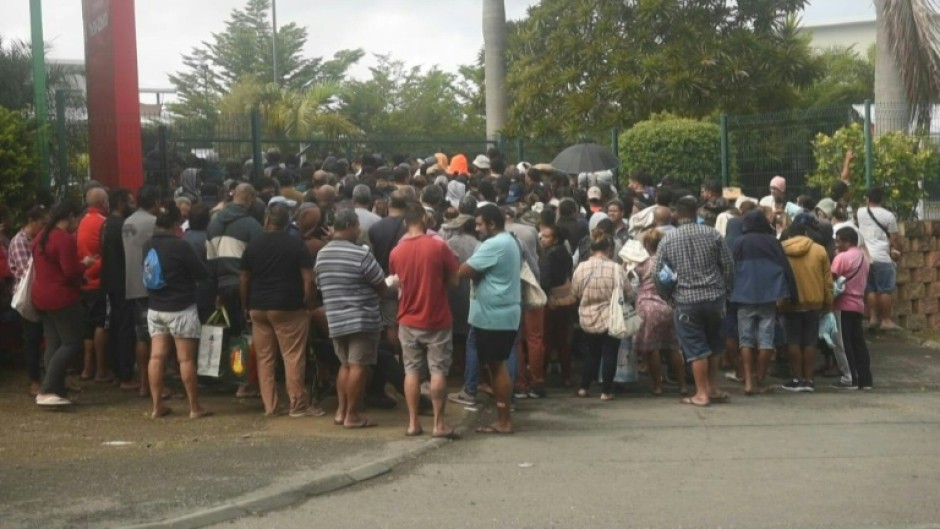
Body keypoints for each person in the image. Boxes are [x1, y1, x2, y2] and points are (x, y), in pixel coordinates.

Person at [241, 202, 323, 418]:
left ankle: (271, 405)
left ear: (266, 220)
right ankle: (297, 404)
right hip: (288, 306)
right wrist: (308, 303)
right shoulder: (296, 245)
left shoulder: (253, 245)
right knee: (293, 356)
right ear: (288, 222)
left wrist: (245, 304)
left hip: (258, 307)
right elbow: (308, 279)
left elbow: (245, 278)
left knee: (264, 358)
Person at [655, 196, 734, 407]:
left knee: (696, 349)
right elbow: (728, 265)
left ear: (676, 214)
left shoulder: (668, 240)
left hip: (686, 301)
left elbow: (660, 274)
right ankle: (713, 387)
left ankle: (701, 394)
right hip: (714, 298)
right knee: (714, 345)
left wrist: (668, 297)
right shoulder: (713, 234)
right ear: (696, 213)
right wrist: (725, 290)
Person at [389, 202, 460, 438]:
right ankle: (439, 425)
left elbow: (396, 282)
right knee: (438, 370)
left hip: (408, 318)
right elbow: (454, 281)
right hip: (437, 316)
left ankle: (412, 423)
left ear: (404, 223)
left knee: (411, 371)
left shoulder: (396, 252)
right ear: (425, 219)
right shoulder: (439, 246)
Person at [315, 209, 388, 429]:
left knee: (345, 365)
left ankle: (341, 411)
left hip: (335, 317)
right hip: (361, 318)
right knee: (358, 366)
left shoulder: (322, 254)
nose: (358, 231)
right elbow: (382, 287)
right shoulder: (361, 254)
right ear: (348, 226)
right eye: (356, 226)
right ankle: (353, 415)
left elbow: (320, 284)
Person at [145, 201, 211, 419]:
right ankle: (194, 407)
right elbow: (202, 273)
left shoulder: (148, 244)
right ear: (176, 223)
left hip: (155, 308)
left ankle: (156, 406)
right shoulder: (180, 246)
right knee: (186, 359)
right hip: (181, 307)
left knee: (156, 357)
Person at [459, 204, 520, 434]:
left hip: (495, 315)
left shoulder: (494, 244)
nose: (476, 228)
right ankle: (503, 416)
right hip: (498, 313)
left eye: (479, 224)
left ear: (492, 224)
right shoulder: (508, 241)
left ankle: (504, 420)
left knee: (497, 366)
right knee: (496, 365)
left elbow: (464, 270)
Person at [730, 210, 797, 395]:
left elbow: (730, 268)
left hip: (743, 296)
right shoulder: (773, 242)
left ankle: (749, 382)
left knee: (746, 340)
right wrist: (792, 293)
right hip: (769, 296)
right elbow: (785, 268)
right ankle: (760, 379)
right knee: (766, 340)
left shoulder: (739, 242)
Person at [207, 183, 264, 398]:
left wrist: (216, 291)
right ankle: (248, 383)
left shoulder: (213, 224)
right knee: (249, 334)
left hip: (222, 284)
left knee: (234, 336)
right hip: (244, 285)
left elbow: (210, 261)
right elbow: (259, 259)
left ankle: (238, 377)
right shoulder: (251, 225)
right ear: (249, 199)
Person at [31, 201, 90, 407]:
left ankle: (55, 388)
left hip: (40, 296)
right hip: (61, 297)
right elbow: (71, 271)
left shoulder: (41, 237)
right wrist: (85, 265)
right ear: (71, 216)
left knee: (53, 342)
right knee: (72, 342)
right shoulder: (64, 239)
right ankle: (47, 389)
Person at [571, 229, 630, 401]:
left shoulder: (581, 268)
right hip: (611, 316)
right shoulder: (616, 269)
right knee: (610, 353)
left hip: (587, 316)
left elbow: (575, 292)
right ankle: (606, 391)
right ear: (610, 250)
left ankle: (584, 387)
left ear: (591, 249)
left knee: (592, 353)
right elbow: (628, 292)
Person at [779, 223, 833, 392]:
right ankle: (809, 380)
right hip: (814, 301)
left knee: (793, 341)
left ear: (788, 235)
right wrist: (828, 302)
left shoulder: (780, 250)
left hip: (789, 303)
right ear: (805, 232)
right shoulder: (819, 250)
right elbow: (828, 280)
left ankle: (797, 379)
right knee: (810, 342)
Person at [632, 230, 686, 396]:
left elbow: (633, 284)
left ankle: (657, 385)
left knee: (652, 348)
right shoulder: (669, 263)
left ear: (647, 245)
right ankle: (682, 385)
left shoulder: (642, 263)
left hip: (648, 308)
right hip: (669, 307)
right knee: (673, 347)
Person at [122, 186, 163, 398]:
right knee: (157, 336)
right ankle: (158, 384)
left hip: (132, 284)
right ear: (155, 202)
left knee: (141, 336)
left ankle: (144, 384)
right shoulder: (153, 223)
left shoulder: (127, 221)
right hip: (151, 285)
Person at [8, 206, 49, 396]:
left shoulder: (35, 240)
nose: (44, 227)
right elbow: (26, 271)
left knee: (45, 337)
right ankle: (34, 380)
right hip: (27, 297)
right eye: (42, 223)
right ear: (31, 221)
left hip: (39, 293)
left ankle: (49, 377)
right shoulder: (19, 243)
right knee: (32, 339)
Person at [101, 188, 138, 391]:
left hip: (109, 282)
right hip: (124, 282)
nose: (133, 205)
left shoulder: (106, 224)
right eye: (130, 202)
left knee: (114, 326)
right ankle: (125, 374)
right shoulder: (124, 226)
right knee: (125, 328)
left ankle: (116, 370)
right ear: (121, 204)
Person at [77, 186, 112, 383]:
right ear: (102, 203)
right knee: (101, 324)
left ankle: (86, 368)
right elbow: (106, 254)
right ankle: (101, 368)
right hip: (99, 281)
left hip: (85, 281)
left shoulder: (82, 222)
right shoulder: (103, 223)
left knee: (88, 326)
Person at [832, 227, 873, 390]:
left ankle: (849, 378)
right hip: (858, 304)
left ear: (847, 241)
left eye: (838, 240)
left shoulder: (842, 258)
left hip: (843, 304)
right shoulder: (863, 258)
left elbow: (831, 278)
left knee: (843, 342)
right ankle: (865, 379)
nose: (836, 244)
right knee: (859, 342)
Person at [856, 188, 901, 331]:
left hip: (865, 257)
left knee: (870, 289)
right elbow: (894, 238)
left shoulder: (860, 212)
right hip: (882, 256)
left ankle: (873, 318)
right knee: (885, 290)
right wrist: (897, 251)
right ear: (882, 200)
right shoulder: (889, 216)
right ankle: (886, 320)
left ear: (867, 199)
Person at [539, 223, 575, 387]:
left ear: (555, 239)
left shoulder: (548, 256)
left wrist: (547, 296)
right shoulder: (566, 254)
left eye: (546, 237)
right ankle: (567, 376)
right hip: (566, 299)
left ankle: (541, 375)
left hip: (551, 300)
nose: (542, 239)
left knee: (546, 338)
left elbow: (545, 280)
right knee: (563, 340)